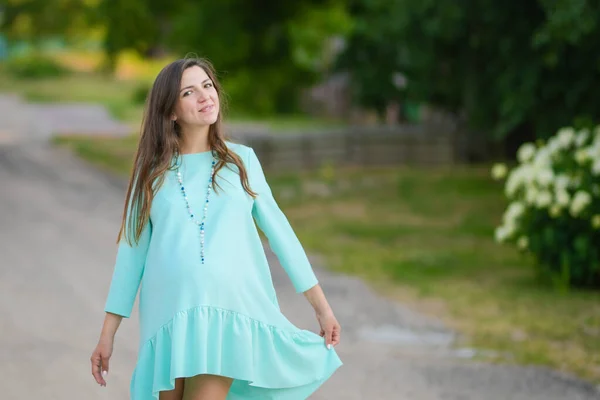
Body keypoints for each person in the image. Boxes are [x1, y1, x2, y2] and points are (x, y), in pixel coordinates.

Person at [90, 57, 343, 400]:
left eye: (208, 86)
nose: (205, 96)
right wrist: (108, 334)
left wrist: (322, 308)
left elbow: (281, 235)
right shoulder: (150, 174)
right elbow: (131, 255)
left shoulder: (242, 162)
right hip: (169, 319)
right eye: (189, 92)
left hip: (226, 318)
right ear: (172, 111)